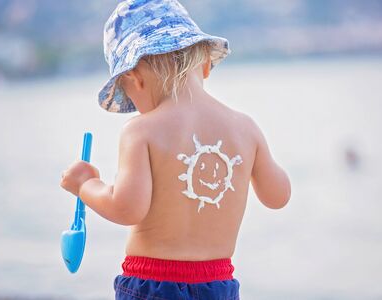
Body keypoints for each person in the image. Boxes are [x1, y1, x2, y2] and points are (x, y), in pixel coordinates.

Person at [60, 0, 291, 299]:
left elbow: (127, 207)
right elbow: (278, 196)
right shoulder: (245, 128)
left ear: (134, 79)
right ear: (206, 65)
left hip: (153, 284)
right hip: (218, 285)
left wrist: (85, 185)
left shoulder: (140, 131)